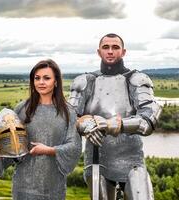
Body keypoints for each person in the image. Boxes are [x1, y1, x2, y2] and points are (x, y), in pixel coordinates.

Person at [69, 33, 162, 199]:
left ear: (123, 52)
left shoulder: (136, 79)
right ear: (99, 52)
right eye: (106, 47)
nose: (110, 51)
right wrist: (86, 124)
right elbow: (69, 119)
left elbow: (149, 119)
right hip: (97, 161)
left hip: (132, 160)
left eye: (115, 47)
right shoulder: (86, 81)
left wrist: (118, 124)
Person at [0, 59, 82, 200]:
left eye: (46, 78)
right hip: (23, 185)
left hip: (53, 186)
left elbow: (74, 147)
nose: (41, 82)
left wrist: (49, 150)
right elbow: (11, 143)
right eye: (37, 78)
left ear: (56, 81)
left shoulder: (67, 112)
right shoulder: (22, 109)